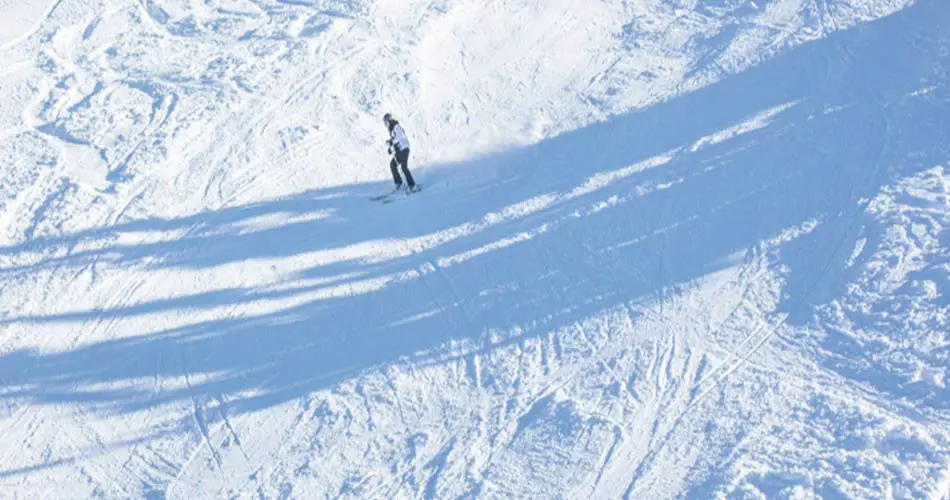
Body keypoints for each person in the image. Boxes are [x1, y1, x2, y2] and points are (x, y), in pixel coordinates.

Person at [383, 113, 417, 190]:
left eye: (385, 122)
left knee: (404, 167)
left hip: (404, 149)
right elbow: (394, 141)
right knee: (392, 165)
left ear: (389, 120)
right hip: (399, 151)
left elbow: (399, 137)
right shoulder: (391, 130)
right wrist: (390, 149)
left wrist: (391, 142)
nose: (385, 124)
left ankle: (412, 185)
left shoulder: (396, 126)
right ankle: (399, 183)